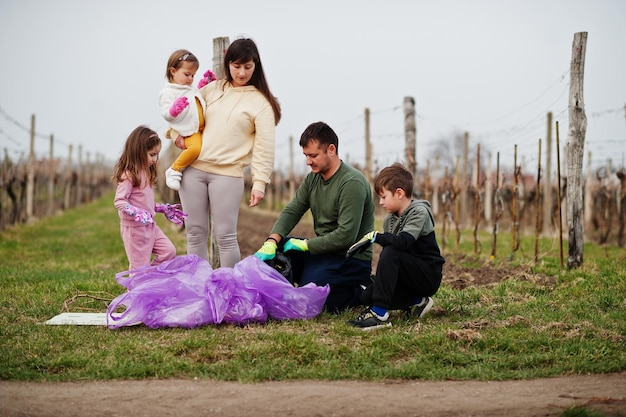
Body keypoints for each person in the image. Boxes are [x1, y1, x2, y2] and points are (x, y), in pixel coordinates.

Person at [168, 38, 281, 268]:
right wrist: (175, 135)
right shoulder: (212, 90)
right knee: (195, 233)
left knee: (226, 237)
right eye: (236, 66)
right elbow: (184, 114)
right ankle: (198, 286)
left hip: (228, 175)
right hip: (193, 172)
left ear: (255, 66)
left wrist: (259, 183)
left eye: (247, 67)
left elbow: (264, 147)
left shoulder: (261, 103)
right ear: (228, 64)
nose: (241, 72)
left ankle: (229, 290)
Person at [254, 121, 375, 313]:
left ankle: (364, 288)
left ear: (331, 150)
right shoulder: (312, 179)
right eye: (305, 156)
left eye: (313, 155)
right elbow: (292, 210)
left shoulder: (351, 182)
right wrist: (271, 240)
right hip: (324, 252)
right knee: (279, 252)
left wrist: (306, 245)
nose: (308, 161)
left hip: (350, 258)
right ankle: (308, 282)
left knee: (317, 302)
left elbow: (346, 236)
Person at [346, 162, 445, 330]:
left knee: (391, 252)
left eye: (384, 197)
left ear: (399, 193)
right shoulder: (389, 220)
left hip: (426, 276)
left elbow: (403, 243)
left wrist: (376, 237)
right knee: (367, 295)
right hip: (407, 277)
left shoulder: (419, 212)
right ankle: (417, 301)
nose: (381, 202)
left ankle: (379, 315)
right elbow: (391, 262)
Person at [112, 125, 188, 271]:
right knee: (139, 268)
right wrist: (136, 212)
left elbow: (143, 202)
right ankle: (136, 290)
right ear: (139, 152)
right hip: (135, 230)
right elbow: (119, 201)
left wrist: (161, 208)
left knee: (168, 251)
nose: (155, 159)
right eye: (152, 155)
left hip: (149, 226)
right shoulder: (129, 175)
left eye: (157, 155)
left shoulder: (146, 173)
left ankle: (148, 277)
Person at [159, 49, 214, 191]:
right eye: (187, 74)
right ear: (173, 71)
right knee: (195, 148)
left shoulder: (189, 88)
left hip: (199, 129)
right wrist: (173, 110)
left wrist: (205, 84)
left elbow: (198, 98)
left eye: (193, 75)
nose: (190, 79)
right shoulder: (169, 92)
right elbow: (166, 114)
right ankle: (175, 170)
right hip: (188, 132)